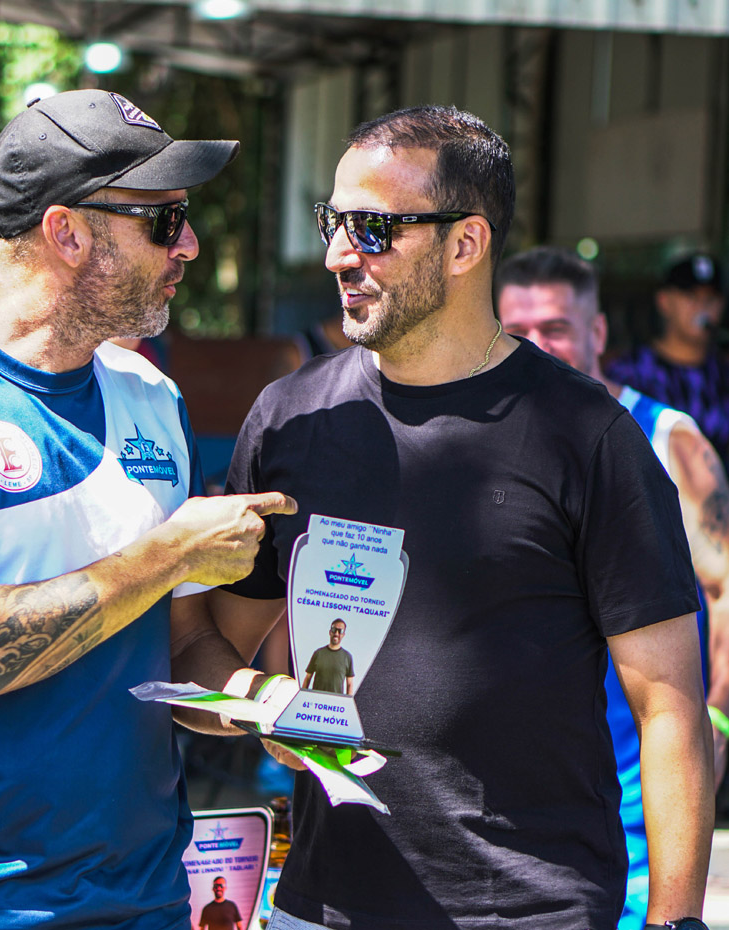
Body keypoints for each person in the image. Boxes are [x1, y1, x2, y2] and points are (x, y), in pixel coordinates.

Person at [203, 104, 713, 930]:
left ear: (466, 244)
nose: (339, 254)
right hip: (321, 904)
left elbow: (670, 710)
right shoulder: (291, 417)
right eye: (334, 222)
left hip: (529, 910)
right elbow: (210, 645)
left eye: (373, 228)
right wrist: (258, 700)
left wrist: (676, 920)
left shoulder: (587, 436)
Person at [0, 89, 296, 930]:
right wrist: (171, 554)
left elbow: (181, 648)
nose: (188, 243)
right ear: (67, 233)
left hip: (143, 894)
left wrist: (270, 707)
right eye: (164, 219)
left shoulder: (151, 394)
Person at [496, 244, 729, 930]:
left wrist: (716, 720)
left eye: (556, 328)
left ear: (596, 332)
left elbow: (726, 589)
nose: (537, 346)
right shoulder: (483, 442)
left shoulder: (665, 438)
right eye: (518, 331)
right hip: (514, 806)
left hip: (636, 807)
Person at [605, 252, 729, 470]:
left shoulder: (723, 372)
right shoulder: (628, 372)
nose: (702, 307)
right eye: (690, 296)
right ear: (664, 301)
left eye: (711, 299)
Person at [301, 619, 354, 694]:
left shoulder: (347, 657)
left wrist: (347, 700)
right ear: (330, 632)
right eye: (334, 630)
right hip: (316, 698)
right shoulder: (318, 653)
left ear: (343, 635)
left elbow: (350, 684)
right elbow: (307, 678)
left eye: (340, 631)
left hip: (335, 700)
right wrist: (303, 695)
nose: (336, 633)